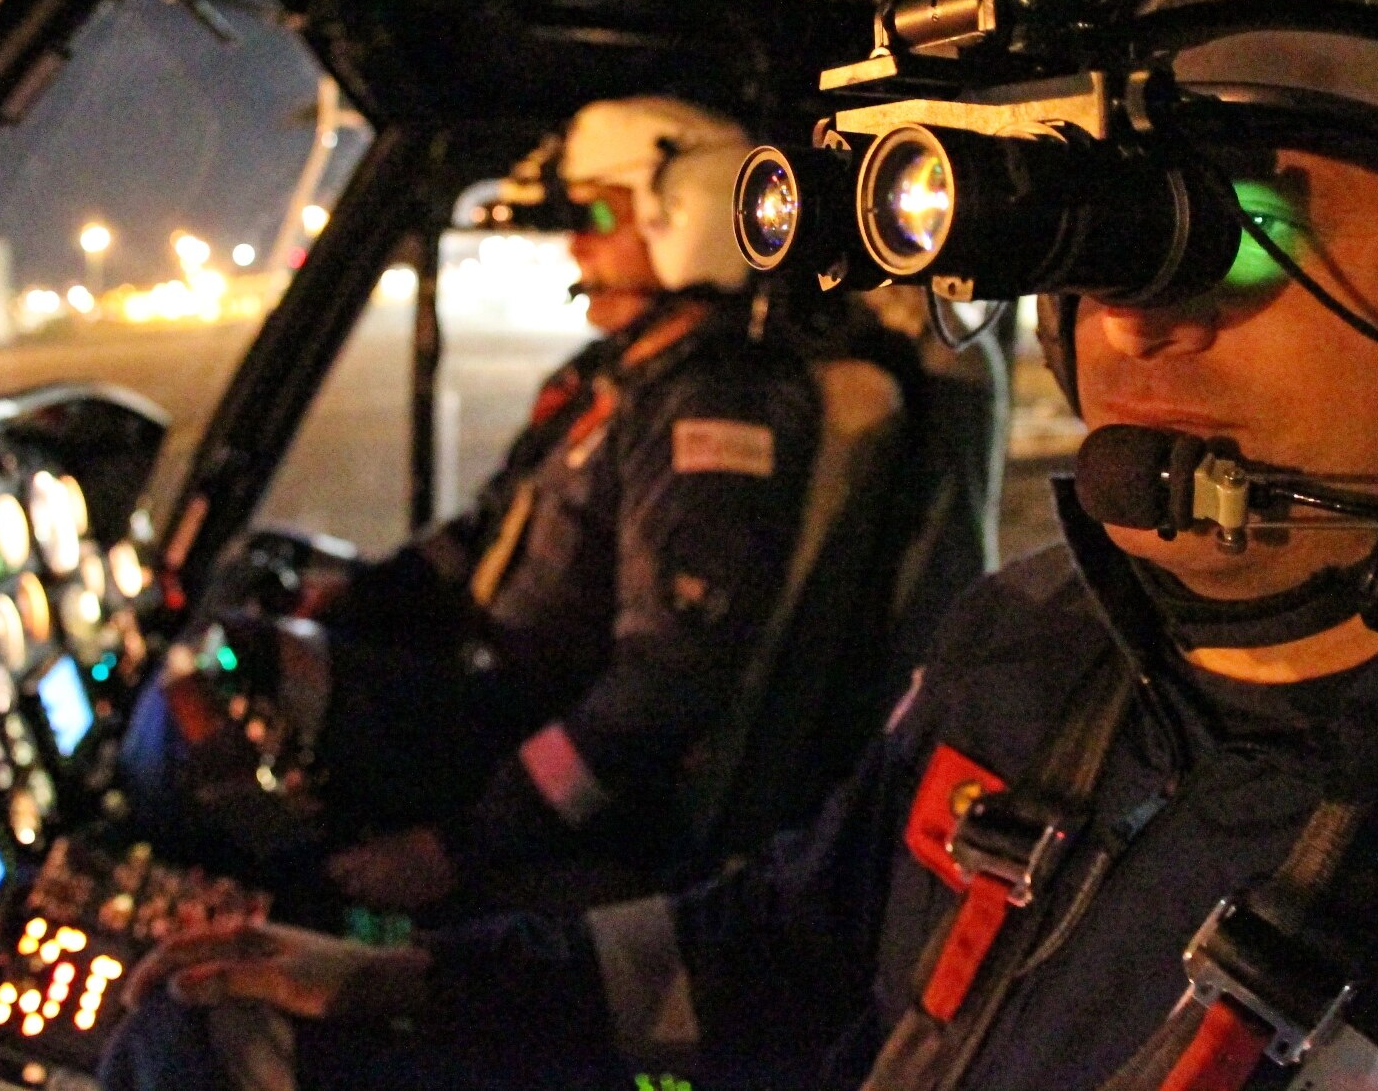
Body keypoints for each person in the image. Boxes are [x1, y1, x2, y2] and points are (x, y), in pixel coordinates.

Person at [101, 0, 1378, 1091]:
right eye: (1094, 239)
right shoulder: (1034, 643)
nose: (1134, 319)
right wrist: (404, 988)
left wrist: (456, 849)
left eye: (1238, 217)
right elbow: (784, 952)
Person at [135, 95, 860, 916]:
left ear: (685, 216)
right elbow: (481, 530)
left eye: (594, 213)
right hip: (479, 692)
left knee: (204, 702)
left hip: (523, 750)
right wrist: (352, 602)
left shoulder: (719, 403)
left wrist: (463, 844)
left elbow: (664, 684)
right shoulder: (613, 375)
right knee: (247, 617)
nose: (576, 243)